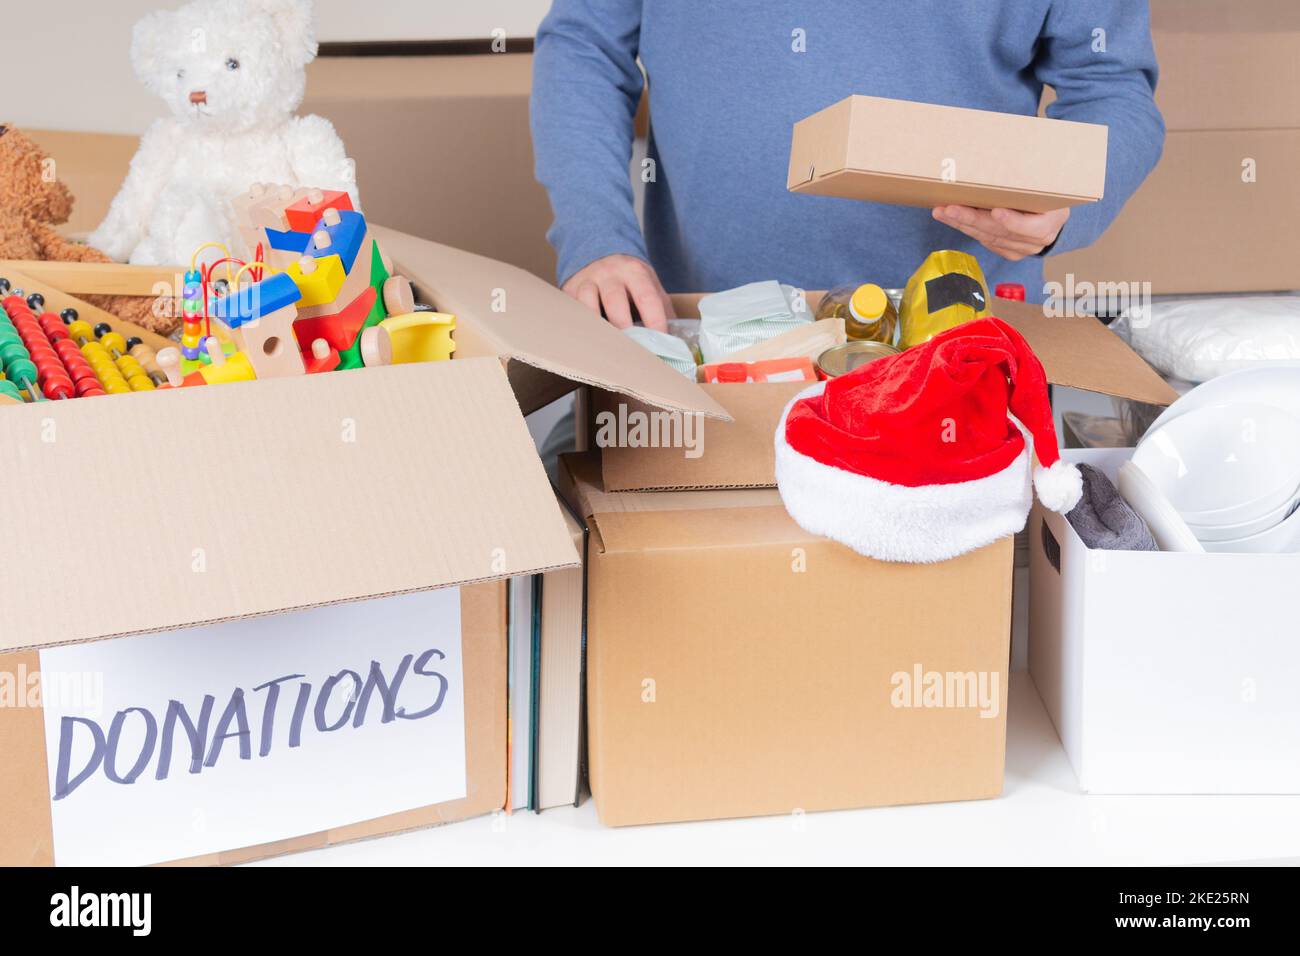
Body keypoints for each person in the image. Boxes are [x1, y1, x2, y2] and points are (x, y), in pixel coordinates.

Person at [530, 1, 1164, 327]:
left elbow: (1111, 86)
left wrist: (1065, 206)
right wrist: (596, 237)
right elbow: (586, 45)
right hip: (707, 333)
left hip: (957, 340)